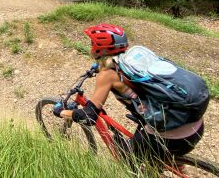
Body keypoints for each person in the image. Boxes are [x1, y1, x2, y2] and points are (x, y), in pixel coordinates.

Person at [53, 23, 204, 165]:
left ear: (99, 49)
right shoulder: (135, 59)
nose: (91, 46)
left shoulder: (107, 75)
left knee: (126, 159)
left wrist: (61, 112)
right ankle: (168, 165)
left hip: (173, 137)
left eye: (92, 43)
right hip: (194, 123)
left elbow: (89, 117)